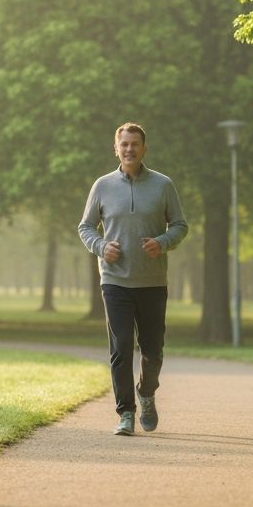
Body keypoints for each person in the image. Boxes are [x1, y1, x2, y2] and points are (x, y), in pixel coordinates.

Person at [78, 122, 189, 436]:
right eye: (123, 144)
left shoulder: (163, 185)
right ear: (116, 148)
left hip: (153, 281)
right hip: (114, 281)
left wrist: (163, 242)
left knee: (153, 351)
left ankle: (147, 392)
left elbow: (180, 225)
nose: (129, 149)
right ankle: (125, 412)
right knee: (121, 347)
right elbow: (85, 226)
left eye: (134, 144)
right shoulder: (102, 186)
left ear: (144, 148)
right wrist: (100, 247)